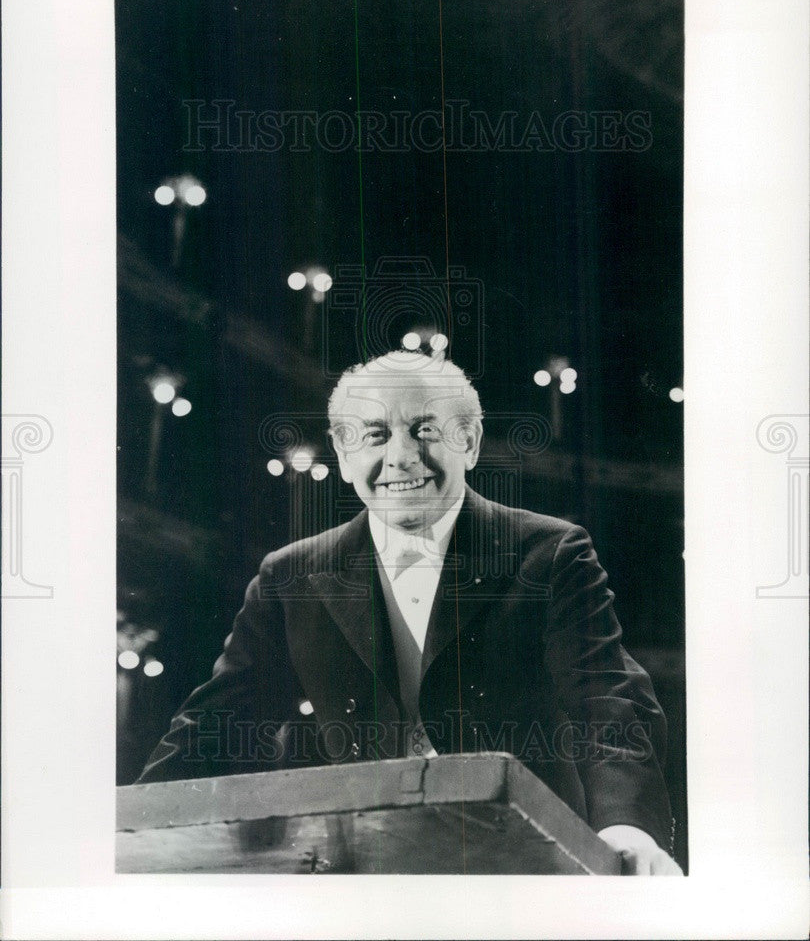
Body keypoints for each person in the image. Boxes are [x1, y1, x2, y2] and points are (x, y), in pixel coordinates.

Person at [139, 350, 681, 874]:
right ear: (344, 451)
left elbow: (607, 703)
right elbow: (213, 726)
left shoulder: (553, 551)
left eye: (425, 429)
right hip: (362, 872)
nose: (400, 456)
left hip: (526, 869)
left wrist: (627, 830)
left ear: (468, 442)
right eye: (376, 435)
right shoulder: (288, 576)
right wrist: (132, 830)